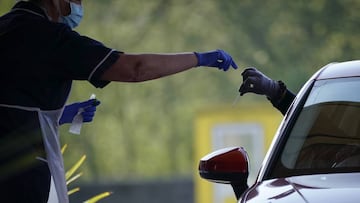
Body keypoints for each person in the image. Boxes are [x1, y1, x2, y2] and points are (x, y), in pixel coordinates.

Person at [0, 0, 238, 202]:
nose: (79, 6)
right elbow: (134, 68)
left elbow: (14, 101)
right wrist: (198, 58)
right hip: (23, 177)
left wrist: (63, 115)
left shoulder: (7, 27)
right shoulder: (50, 38)